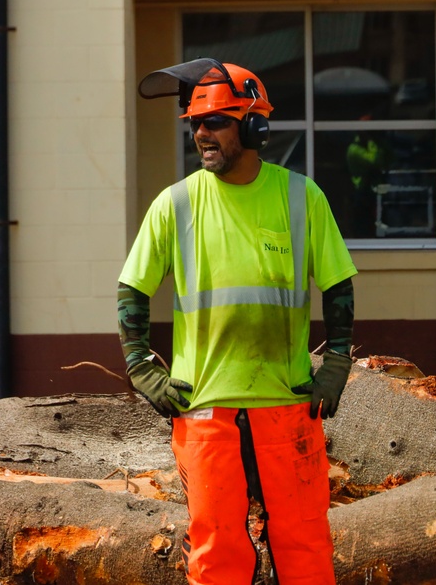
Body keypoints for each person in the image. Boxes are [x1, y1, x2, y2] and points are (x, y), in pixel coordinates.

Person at [119, 59, 358, 585]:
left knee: (305, 546)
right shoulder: (175, 204)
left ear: (254, 126)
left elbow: (338, 285)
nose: (201, 133)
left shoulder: (301, 197)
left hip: (288, 404)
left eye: (215, 122)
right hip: (205, 407)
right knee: (216, 551)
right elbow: (132, 289)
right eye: (195, 124)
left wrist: (337, 363)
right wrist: (141, 367)